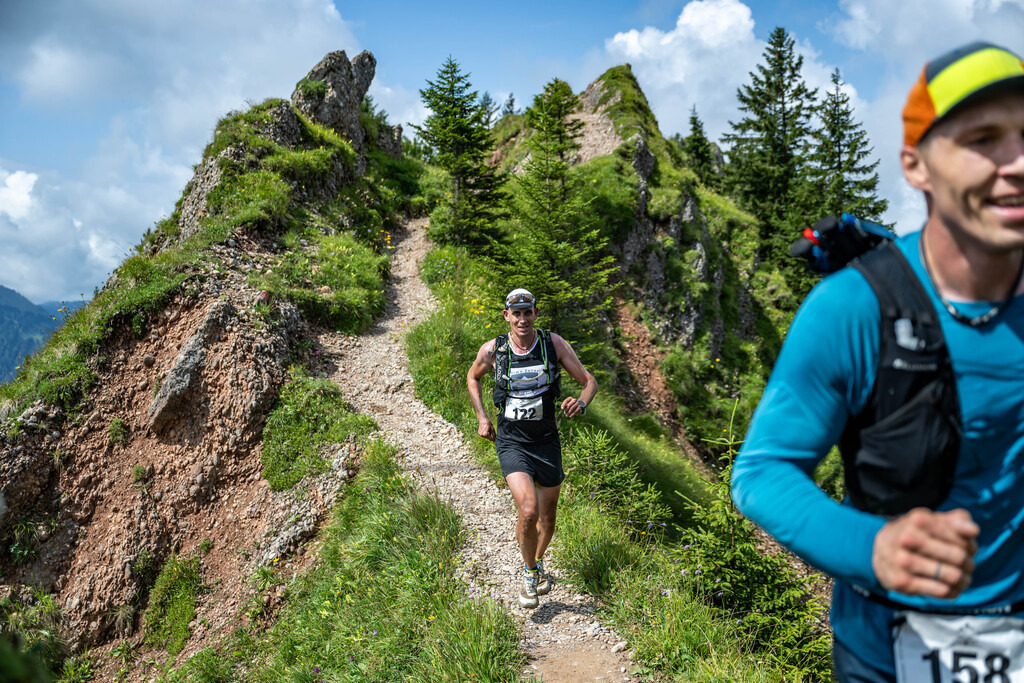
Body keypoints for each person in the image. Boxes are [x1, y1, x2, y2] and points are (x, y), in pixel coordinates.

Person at [731, 42, 1024, 682]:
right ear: (916, 166)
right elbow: (762, 473)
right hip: (886, 649)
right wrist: (874, 548)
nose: (1018, 162)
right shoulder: (851, 309)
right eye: (983, 139)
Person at [467, 288, 598, 608]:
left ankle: (538, 563)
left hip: (546, 440)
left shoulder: (552, 344)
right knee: (529, 509)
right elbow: (472, 377)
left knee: (548, 517)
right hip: (512, 442)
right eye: (517, 313)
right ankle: (528, 575)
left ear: (535, 314)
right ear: (506, 316)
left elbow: (589, 382)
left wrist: (580, 404)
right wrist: (483, 418)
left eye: (528, 312)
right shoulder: (494, 350)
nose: (522, 319)